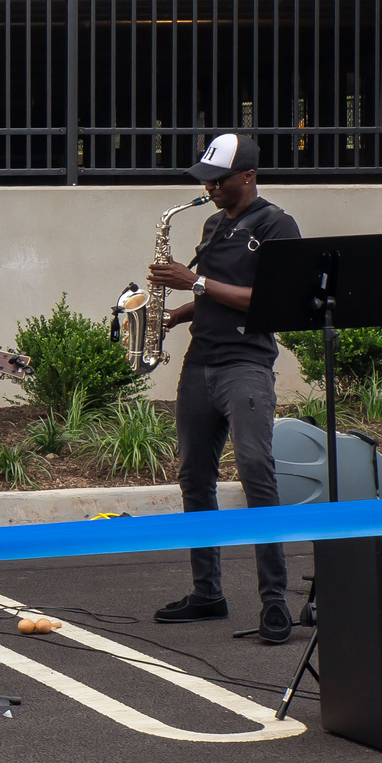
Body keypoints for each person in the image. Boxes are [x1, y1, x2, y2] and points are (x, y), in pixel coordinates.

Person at [148, 134, 301, 642]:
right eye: (205, 178)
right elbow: (212, 294)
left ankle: (275, 601)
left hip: (246, 364)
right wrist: (169, 317)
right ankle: (208, 593)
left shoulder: (276, 224)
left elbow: (269, 299)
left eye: (218, 178)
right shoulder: (214, 224)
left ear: (248, 177)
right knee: (195, 478)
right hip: (200, 363)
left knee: (257, 474)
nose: (209, 186)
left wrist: (192, 283)